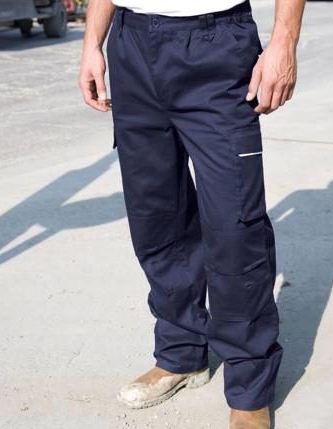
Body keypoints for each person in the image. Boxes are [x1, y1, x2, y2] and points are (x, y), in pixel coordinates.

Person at [79, 0, 305, 427]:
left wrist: (284, 42)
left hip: (215, 45)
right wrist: (93, 43)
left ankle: (249, 388)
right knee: (156, 217)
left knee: (235, 227)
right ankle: (181, 354)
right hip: (130, 46)